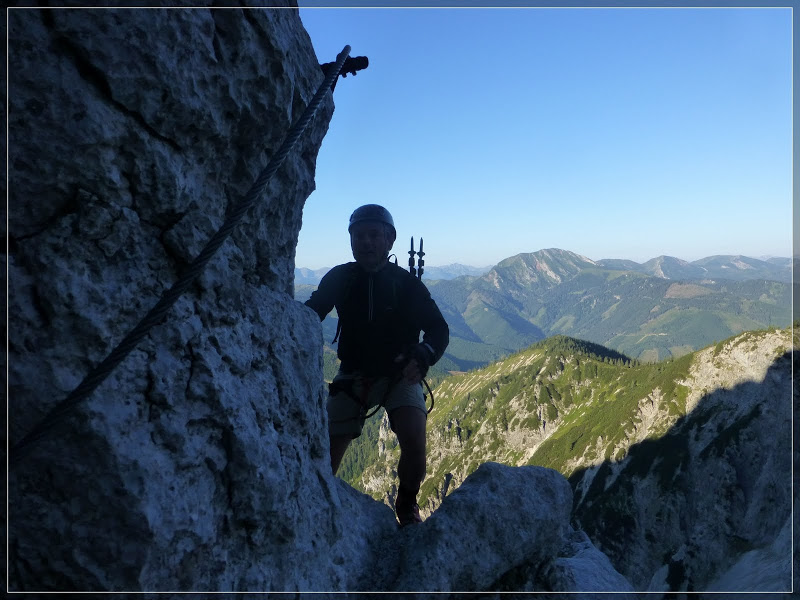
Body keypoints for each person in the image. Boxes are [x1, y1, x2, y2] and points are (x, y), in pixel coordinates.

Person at [305, 204, 449, 526]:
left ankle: (407, 503)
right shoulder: (340, 278)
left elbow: (439, 329)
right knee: (327, 448)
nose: (366, 242)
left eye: (374, 235)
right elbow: (312, 312)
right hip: (354, 372)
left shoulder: (407, 285)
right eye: (359, 236)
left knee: (414, 438)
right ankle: (319, 497)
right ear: (351, 240)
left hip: (399, 374)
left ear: (389, 240)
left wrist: (425, 355)